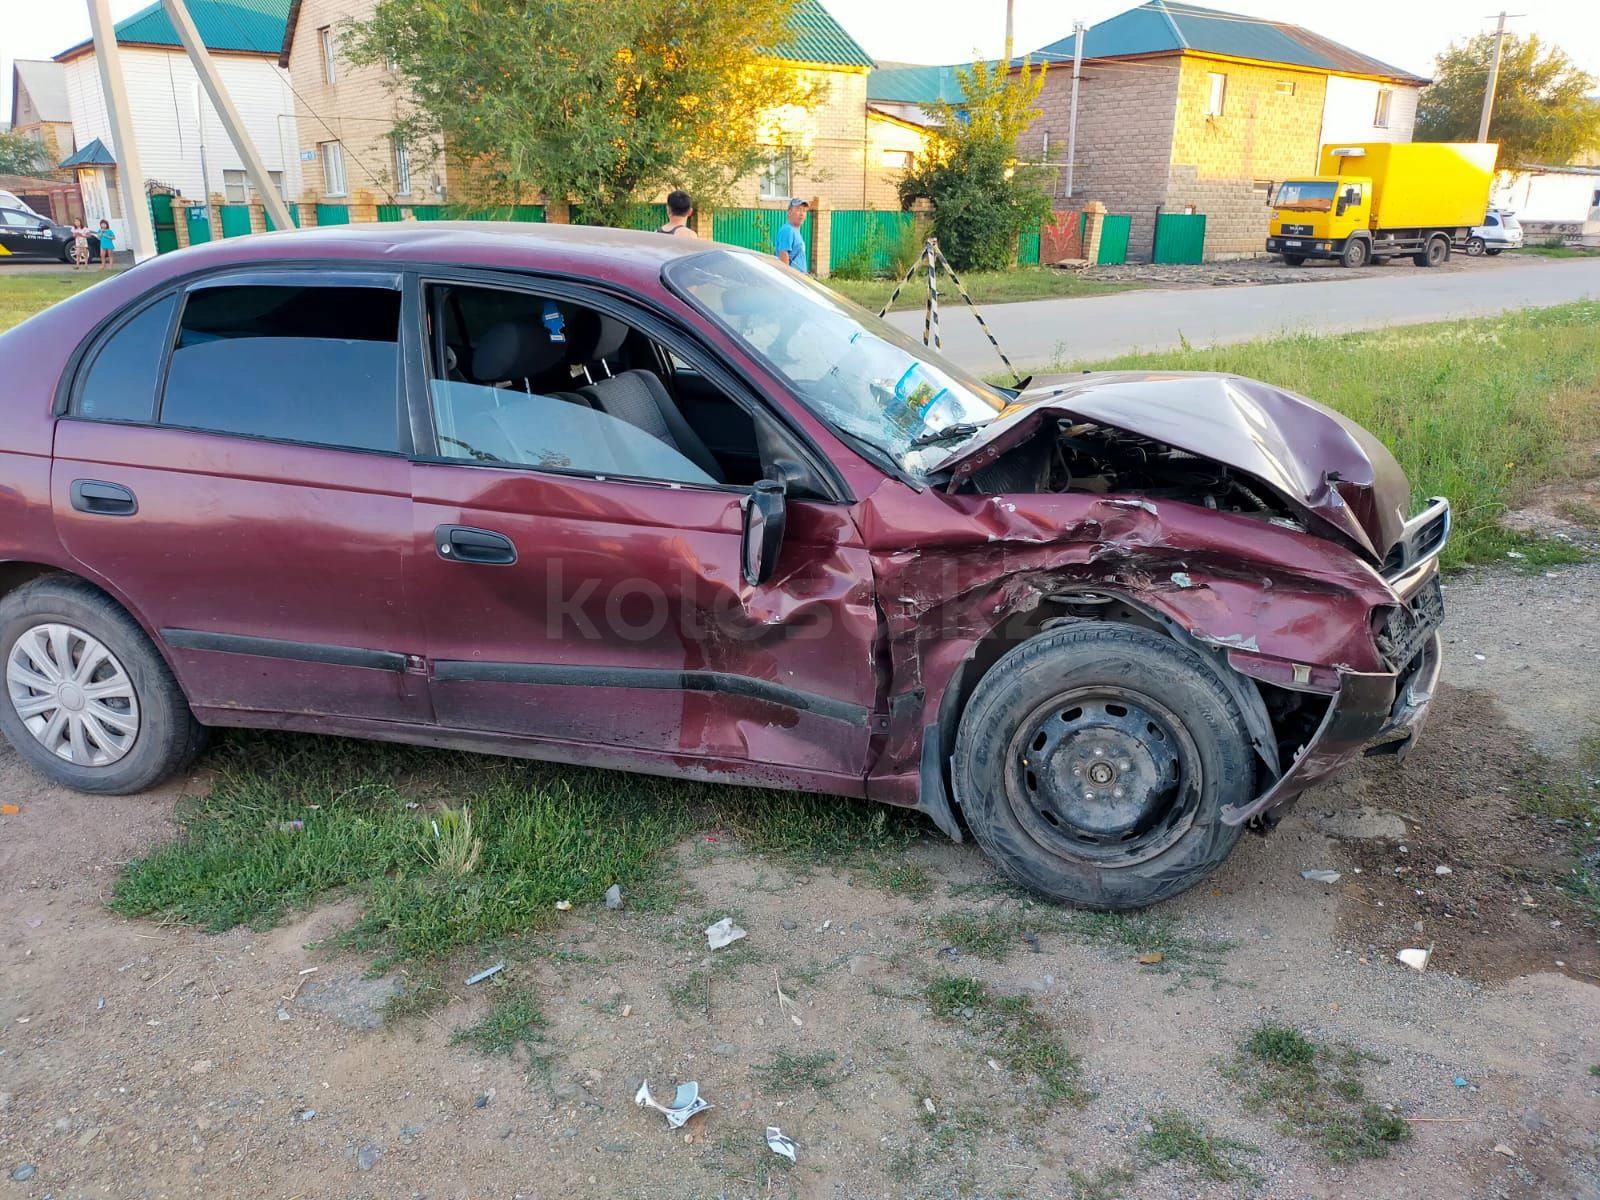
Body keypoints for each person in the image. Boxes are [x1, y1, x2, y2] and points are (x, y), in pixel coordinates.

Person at [775, 198, 808, 272]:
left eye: (804, 211)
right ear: (789, 212)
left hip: (798, 278)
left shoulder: (794, 230)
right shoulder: (788, 230)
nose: (802, 214)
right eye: (798, 210)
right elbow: (784, 257)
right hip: (792, 279)